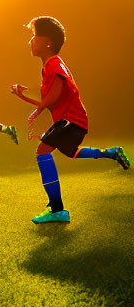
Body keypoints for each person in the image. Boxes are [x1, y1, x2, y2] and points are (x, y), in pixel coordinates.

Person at [11, 15, 130, 224]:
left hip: (71, 120)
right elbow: (47, 98)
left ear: (48, 42)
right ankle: (113, 153)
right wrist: (27, 97)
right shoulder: (49, 66)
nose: (31, 41)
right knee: (71, 152)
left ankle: (57, 210)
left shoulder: (54, 64)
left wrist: (32, 102)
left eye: (35, 36)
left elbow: (51, 98)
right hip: (71, 121)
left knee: (43, 151)